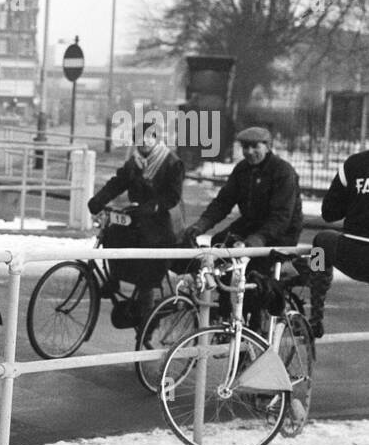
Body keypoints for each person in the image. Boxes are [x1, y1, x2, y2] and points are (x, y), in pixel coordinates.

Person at [181, 125, 303, 329]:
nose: (249, 152)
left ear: (267, 146)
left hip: (281, 233)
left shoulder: (282, 172)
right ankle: (228, 305)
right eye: (245, 147)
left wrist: (255, 241)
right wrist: (200, 226)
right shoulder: (242, 169)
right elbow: (223, 202)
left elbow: (281, 217)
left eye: (255, 146)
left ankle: (254, 326)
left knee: (255, 271)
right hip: (252, 225)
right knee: (219, 242)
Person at [87, 118, 185, 328]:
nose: (143, 142)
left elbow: (173, 197)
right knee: (113, 231)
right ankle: (113, 278)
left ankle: (147, 315)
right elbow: (118, 183)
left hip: (163, 223)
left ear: (156, 138)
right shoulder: (135, 162)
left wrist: (152, 207)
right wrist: (98, 200)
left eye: (148, 137)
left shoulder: (172, 162)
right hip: (139, 216)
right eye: (138, 138)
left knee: (146, 263)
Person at [307, 147, 369, 337]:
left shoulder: (354, 164)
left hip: (353, 253)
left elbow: (329, 213)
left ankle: (315, 313)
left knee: (320, 241)